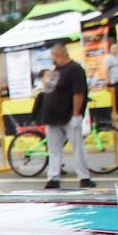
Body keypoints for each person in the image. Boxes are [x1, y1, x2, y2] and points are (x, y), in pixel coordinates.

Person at [43, 42, 95, 190]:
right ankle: (53, 177)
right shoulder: (56, 70)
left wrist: (76, 114)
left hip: (68, 115)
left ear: (58, 55)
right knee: (54, 149)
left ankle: (84, 177)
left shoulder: (74, 69)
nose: (52, 59)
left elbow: (78, 93)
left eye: (53, 56)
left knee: (77, 147)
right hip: (53, 117)